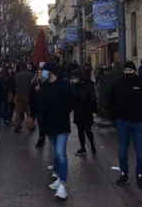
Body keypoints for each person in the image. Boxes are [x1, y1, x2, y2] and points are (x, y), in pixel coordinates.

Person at [110, 61, 142, 190]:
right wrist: (114, 117)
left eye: (130, 71)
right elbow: (110, 101)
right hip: (122, 122)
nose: (128, 73)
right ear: (123, 71)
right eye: (126, 70)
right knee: (122, 150)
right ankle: (124, 174)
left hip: (138, 122)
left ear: (135, 71)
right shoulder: (118, 84)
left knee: (141, 152)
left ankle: (140, 175)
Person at [39, 62, 73, 200]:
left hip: (61, 124)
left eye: (44, 71)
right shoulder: (45, 86)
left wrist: (61, 112)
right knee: (55, 154)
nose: (42, 73)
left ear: (51, 72)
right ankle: (59, 178)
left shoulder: (64, 85)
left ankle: (63, 185)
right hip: (50, 125)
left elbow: (71, 103)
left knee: (60, 153)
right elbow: (41, 105)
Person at [71, 68, 97, 156]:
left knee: (87, 129)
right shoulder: (74, 86)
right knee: (80, 130)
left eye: (75, 77)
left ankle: (92, 145)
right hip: (78, 110)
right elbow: (72, 98)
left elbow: (93, 99)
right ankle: (83, 148)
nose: (74, 79)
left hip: (87, 110)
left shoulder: (89, 85)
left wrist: (94, 111)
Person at [13, 63, 34, 133]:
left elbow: (14, 84)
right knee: (28, 111)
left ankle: (17, 125)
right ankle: (30, 125)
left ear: (21, 68)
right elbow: (32, 84)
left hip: (18, 95)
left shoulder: (17, 75)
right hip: (27, 95)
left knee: (18, 111)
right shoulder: (30, 75)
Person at [31, 62, 46, 148]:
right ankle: (41, 138)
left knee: (45, 124)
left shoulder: (47, 83)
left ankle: (44, 137)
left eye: (41, 73)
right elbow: (32, 96)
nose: (40, 74)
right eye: (39, 73)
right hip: (38, 107)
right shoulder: (34, 82)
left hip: (46, 107)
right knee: (40, 124)